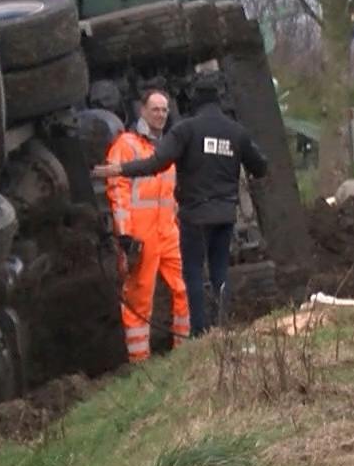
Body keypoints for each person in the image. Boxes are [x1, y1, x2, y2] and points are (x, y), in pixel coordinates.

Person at [93, 73, 267, 334]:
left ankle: (199, 334)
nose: (162, 114)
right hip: (224, 214)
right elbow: (261, 167)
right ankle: (219, 328)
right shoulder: (235, 132)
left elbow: (155, 164)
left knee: (193, 274)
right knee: (220, 273)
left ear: (194, 99)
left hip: (194, 217)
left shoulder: (186, 130)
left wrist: (119, 169)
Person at [103, 88, 190, 362]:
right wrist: (125, 233)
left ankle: (184, 351)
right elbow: (118, 191)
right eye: (155, 109)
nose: (161, 114)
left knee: (186, 288)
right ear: (142, 111)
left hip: (168, 232)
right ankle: (140, 363)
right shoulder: (126, 145)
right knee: (139, 299)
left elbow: (169, 195)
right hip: (141, 235)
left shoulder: (166, 147)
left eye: (165, 110)